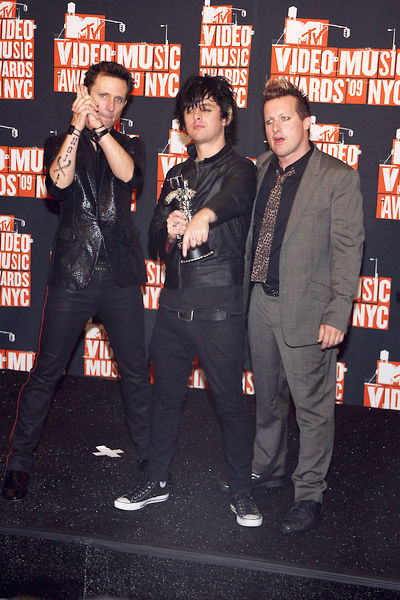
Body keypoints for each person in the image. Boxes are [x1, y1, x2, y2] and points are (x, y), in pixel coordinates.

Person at [114, 74, 261, 527]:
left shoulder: (242, 167)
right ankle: (156, 480)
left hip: (220, 307)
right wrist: (170, 227)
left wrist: (203, 214)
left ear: (226, 117)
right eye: (190, 109)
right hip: (174, 305)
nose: (196, 116)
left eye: (206, 108)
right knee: (165, 399)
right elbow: (155, 240)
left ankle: (241, 491)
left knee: (231, 404)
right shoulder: (176, 173)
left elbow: (236, 199)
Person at [2, 61, 152, 502]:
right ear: (84, 94)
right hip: (73, 271)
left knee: (135, 374)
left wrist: (102, 132)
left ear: (125, 105)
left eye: (117, 98)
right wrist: (76, 128)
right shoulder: (59, 141)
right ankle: (18, 464)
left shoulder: (133, 143)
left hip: (120, 275)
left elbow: (130, 176)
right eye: (100, 95)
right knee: (47, 373)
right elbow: (58, 183)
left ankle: (149, 461)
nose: (107, 105)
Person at [245, 77, 364, 533]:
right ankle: (268, 469)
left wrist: (338, 313)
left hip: (309, 312)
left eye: (286, 119)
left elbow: (349, 248)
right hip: (260, 303)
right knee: (268, 399)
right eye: (270, 121)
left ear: (307, 123)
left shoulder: (338, 178)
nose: (277, 129)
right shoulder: (258, 168)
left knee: (312, 409)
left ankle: (309, 493)